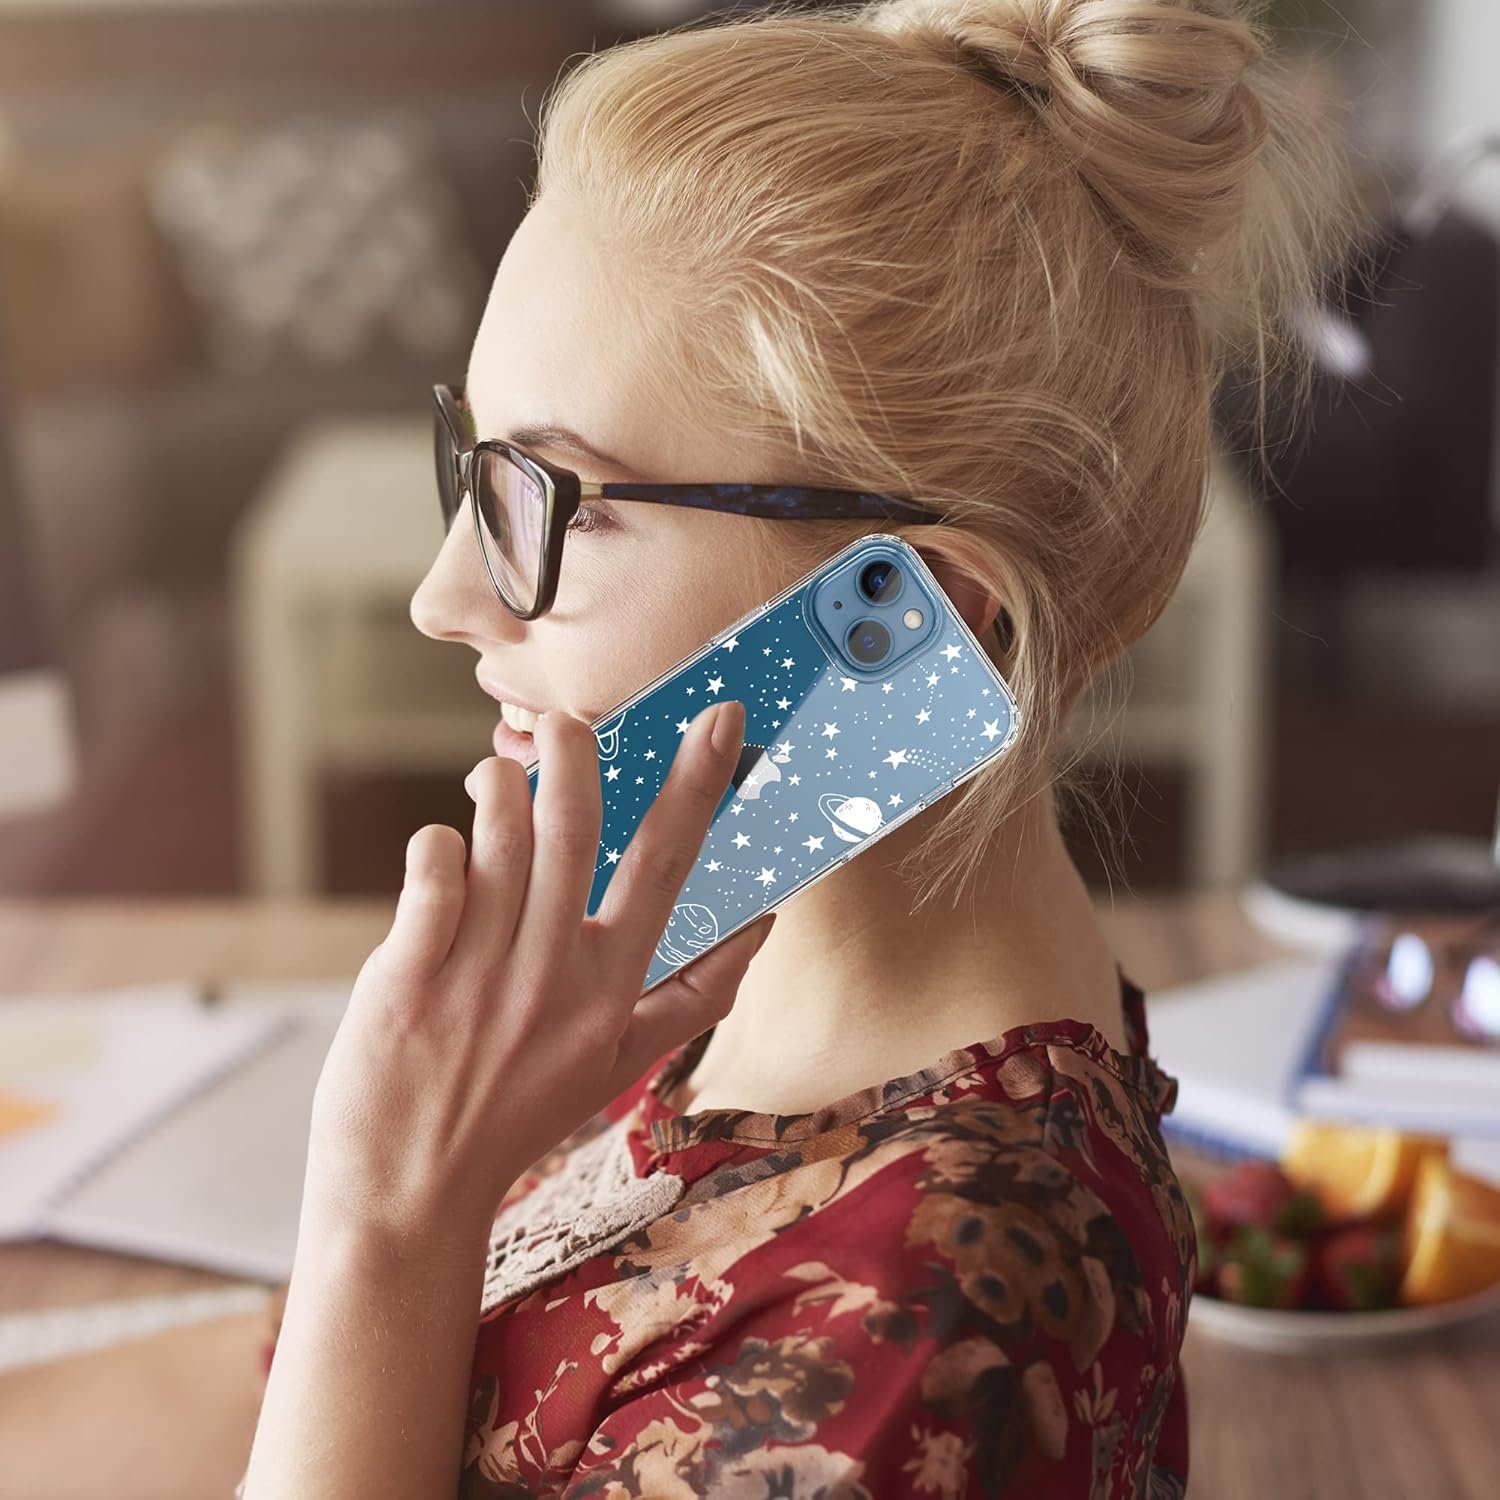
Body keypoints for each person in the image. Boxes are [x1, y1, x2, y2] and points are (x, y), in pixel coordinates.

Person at [237, 1, 1364, 1495]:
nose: (444, 597)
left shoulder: (926, 1321)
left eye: (550, 499)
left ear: (918, 615)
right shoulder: (715, 968)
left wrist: (381, 1224)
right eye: (476, 462)